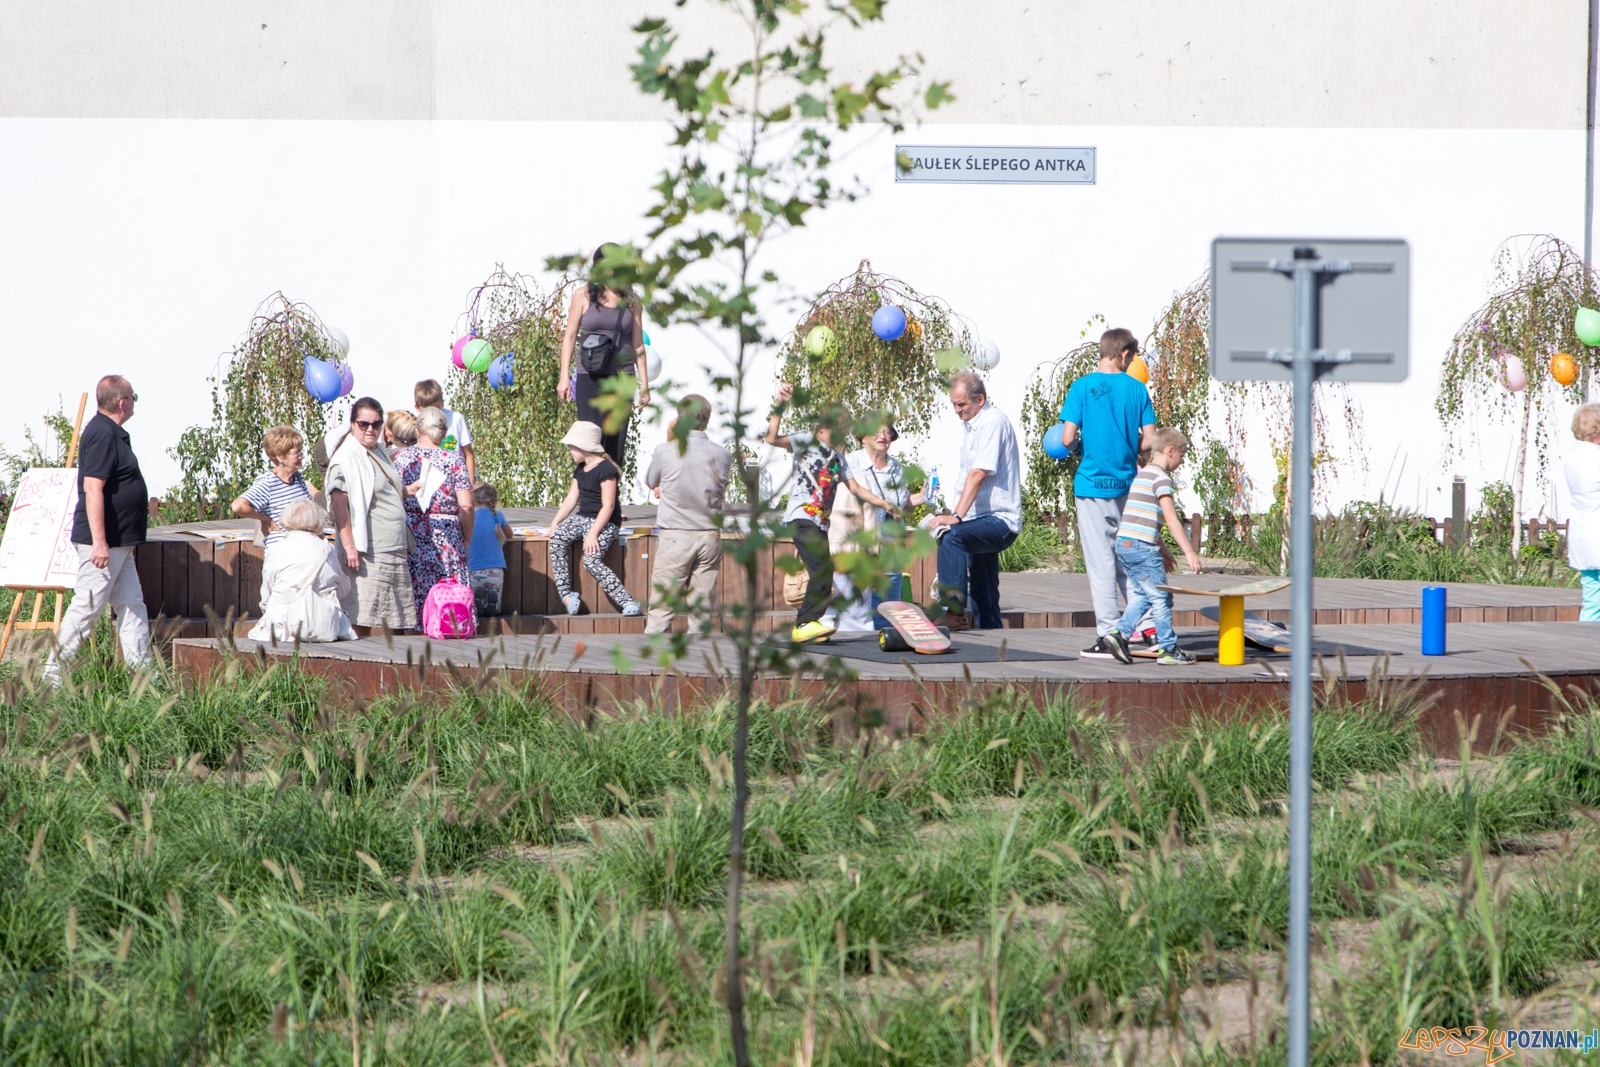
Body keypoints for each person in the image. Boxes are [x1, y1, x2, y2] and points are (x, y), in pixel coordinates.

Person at [764, 384, 897, 642]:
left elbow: (855, 487)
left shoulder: (838, 458)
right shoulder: (806, 441)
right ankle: (803, 624)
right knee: (823, 572)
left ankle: (811, 624)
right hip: (801, 517)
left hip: (820, 524)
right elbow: (772, 438)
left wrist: (883, 503)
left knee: (825, 574)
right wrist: (780, 403)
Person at [1054, 327, 1158, 659]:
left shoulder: (1081, 387)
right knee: (1129, 561)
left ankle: (1109, 635)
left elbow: (1067, 438)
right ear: (1125, 354)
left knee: (1101, 565)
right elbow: (1150, 439)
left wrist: (1083, 447)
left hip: (1091, 486)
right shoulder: (1137, 390)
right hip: (1127, 485)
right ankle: (1150, 628)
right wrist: (1128, 448)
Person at [45, 376, 152, 680]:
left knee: (132, 605)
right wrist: (99, 543)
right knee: (87, 608)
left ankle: (141, 675)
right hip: (105, 544)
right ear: (123, 402)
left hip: (121, 541)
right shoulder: (102, 434)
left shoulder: (111, 433)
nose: (133, 402)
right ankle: (52, 676)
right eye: (133, 396)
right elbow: (93, 489)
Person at [1098, 428, 1205, 664]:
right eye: (1182, 456)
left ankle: (1119, 634)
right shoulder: (1161, 479)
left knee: (1144, 595)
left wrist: (1164, 551)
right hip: (1142, 548)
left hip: (1126, 545)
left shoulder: (1142, 476)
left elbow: (1144, 519)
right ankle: (1168, 649)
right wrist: (1189, 552)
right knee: (1161, 599)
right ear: (1170, 451)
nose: (1182, 461)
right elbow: (1170, 519)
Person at [925, 373, 1022, 630]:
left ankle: (953, 612)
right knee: (984, 588)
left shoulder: (992, 422)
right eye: (954, 405)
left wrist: (956, 517)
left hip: (1000, 520)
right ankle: (992, 634)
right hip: (979, 517)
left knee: (951, 536)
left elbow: (978, 474)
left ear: (980, 399)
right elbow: (967, 477)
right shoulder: (973, 425)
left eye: (962, 405)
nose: (957, 411)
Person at [642, 394, 734, 634]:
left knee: (661, 612)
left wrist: (671, 437)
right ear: (707, 419)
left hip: (676, 534)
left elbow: (651, 480)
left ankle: (652, 666)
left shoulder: (666, 451)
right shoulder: (724, 455)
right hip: (709, 536)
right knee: (701, 614)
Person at [558, 244, 652, 469]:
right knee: (589, 438)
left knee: (616, 439)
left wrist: (645, 384)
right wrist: (564, 377)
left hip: (622, 376)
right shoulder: (583, 295)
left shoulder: (631, 301)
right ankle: (591, 498)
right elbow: (570, 336)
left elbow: (638, 345)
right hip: (590, 375)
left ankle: (611, 499)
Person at [327, 398, 417, 634]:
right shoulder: (345, 458)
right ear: (352, 423)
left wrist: (407, 491)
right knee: (363, 618)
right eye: (363, 423)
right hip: (370, 552)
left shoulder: (377, 450)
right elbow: (339, 506)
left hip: (393, 547)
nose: (370, 429)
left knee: (397, 621)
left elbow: (380, 490)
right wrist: (349, 547)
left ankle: (395, 669)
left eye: (376, 424)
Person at [834, 421, 925, 632]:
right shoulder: (851, 462)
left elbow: (901, 506)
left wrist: (921, 497)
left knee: (890, 582)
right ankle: (863, 630)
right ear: (863, 437)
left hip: (892, 530)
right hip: (864, 528)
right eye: (877, 431)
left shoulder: (896, 467)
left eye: (887, 432)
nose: (883, 435)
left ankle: (886, 629)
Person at [548, 421, 642, 616]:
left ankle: (628, 602)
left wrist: (593, 533)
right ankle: (566, 595)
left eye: (572, 447)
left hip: (604, 522)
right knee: (556, 539)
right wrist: (555, 523)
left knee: (591, 561)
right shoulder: (580, 469)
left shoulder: (606, 470)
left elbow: (608, 506)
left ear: (585, 446)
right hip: (583, 518)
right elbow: (571, 500)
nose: (570, 451)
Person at [393, 407, 476, 623]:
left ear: (417, 430)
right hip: (447, 534)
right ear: (444, 432)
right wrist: (466, 538)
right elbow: (466, 505)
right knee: (450, 593)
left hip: (411, 532)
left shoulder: (401, 457)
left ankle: (417, 626)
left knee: (414, 589)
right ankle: (450, 627)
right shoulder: (454, 459)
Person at [247, 499, 356, 642]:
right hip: (324, 624)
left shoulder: (277, 549)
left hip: (282, 627)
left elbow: (267, 591)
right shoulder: (328, 549)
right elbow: (343, 587)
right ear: (317, 520)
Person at [230, 426, 312, 549]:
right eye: (297, 453)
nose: (302, 457)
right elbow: (238, 506)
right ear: (280, 456)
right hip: (283, 553)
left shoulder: (298, 477)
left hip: (305, 549)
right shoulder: (269, 482)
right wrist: (264, 519)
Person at [1566, 403, 1600, 622]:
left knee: (1592, 600)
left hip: (1582, 535)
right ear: (1595, 431)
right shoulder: (1596, 458)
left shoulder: (1572, 456)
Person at [413, 380, 475, 483]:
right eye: (427, 410)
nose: (434, 413)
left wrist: (471, 485)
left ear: (442, 403)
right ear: (417, 408)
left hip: (457, 480)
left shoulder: (456, 419)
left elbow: (468, 454)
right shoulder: (418, 424)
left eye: (437, 408)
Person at [468, 483, 511, 616]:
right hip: (496, 571)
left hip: (474, 570)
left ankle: (478, 602)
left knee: (474, 609)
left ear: (472, 499)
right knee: (495, 607)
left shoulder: (469, 517)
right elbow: (509, 535)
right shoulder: (498, 516)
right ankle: (492, 604)